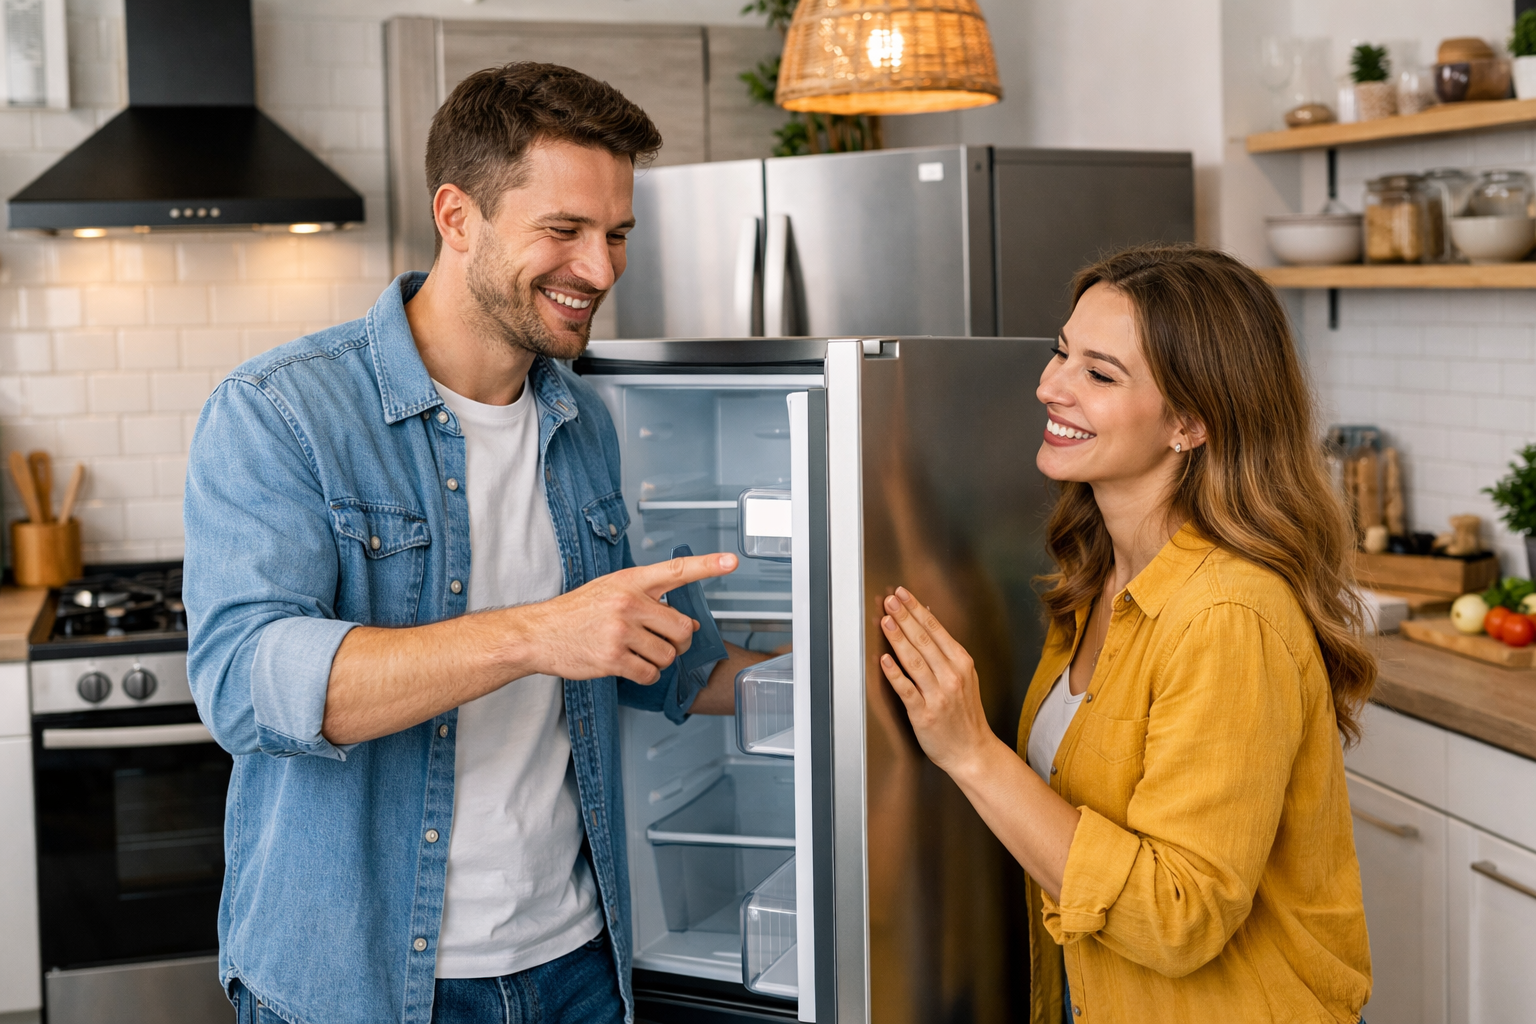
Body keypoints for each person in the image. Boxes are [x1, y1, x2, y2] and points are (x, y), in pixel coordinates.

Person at [184, 63, 769, 1024]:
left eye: (616, 234)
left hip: (579, 966)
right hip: (361, 984)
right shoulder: (282, 413)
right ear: (458, 217)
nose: (602, 269)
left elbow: (669, 661)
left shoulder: (586, 422)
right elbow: (249, 686)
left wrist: (843, 683)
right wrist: (535, 636)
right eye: (564, 231)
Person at [876, 245, 1375, 1024]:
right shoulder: (1098, 576)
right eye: (1061, 353)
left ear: (1191, 421)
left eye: (1099, 375)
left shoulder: (1226, 617)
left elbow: (1179, 917)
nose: (1050, 387)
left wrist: (971, 752)